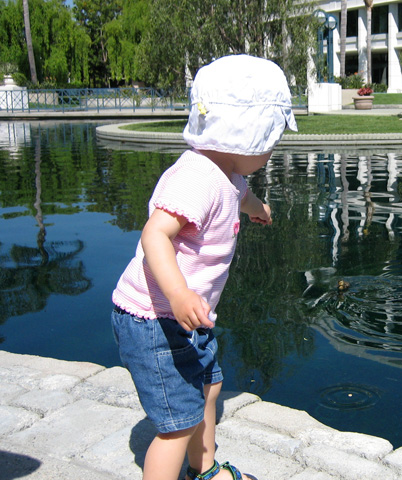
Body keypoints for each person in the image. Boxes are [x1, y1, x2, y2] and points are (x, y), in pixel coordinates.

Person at [111, 54, 297, 480]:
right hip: (154, 318)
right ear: (247, 134)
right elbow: (154, 234)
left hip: (188, 318)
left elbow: (238, 196)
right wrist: (178, 293)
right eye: (270, 139)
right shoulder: (195, 176)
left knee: (208, 387)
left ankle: (207, 469)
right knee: (178, 425)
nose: (271, 150)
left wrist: (258, 208)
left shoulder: (227, 174)